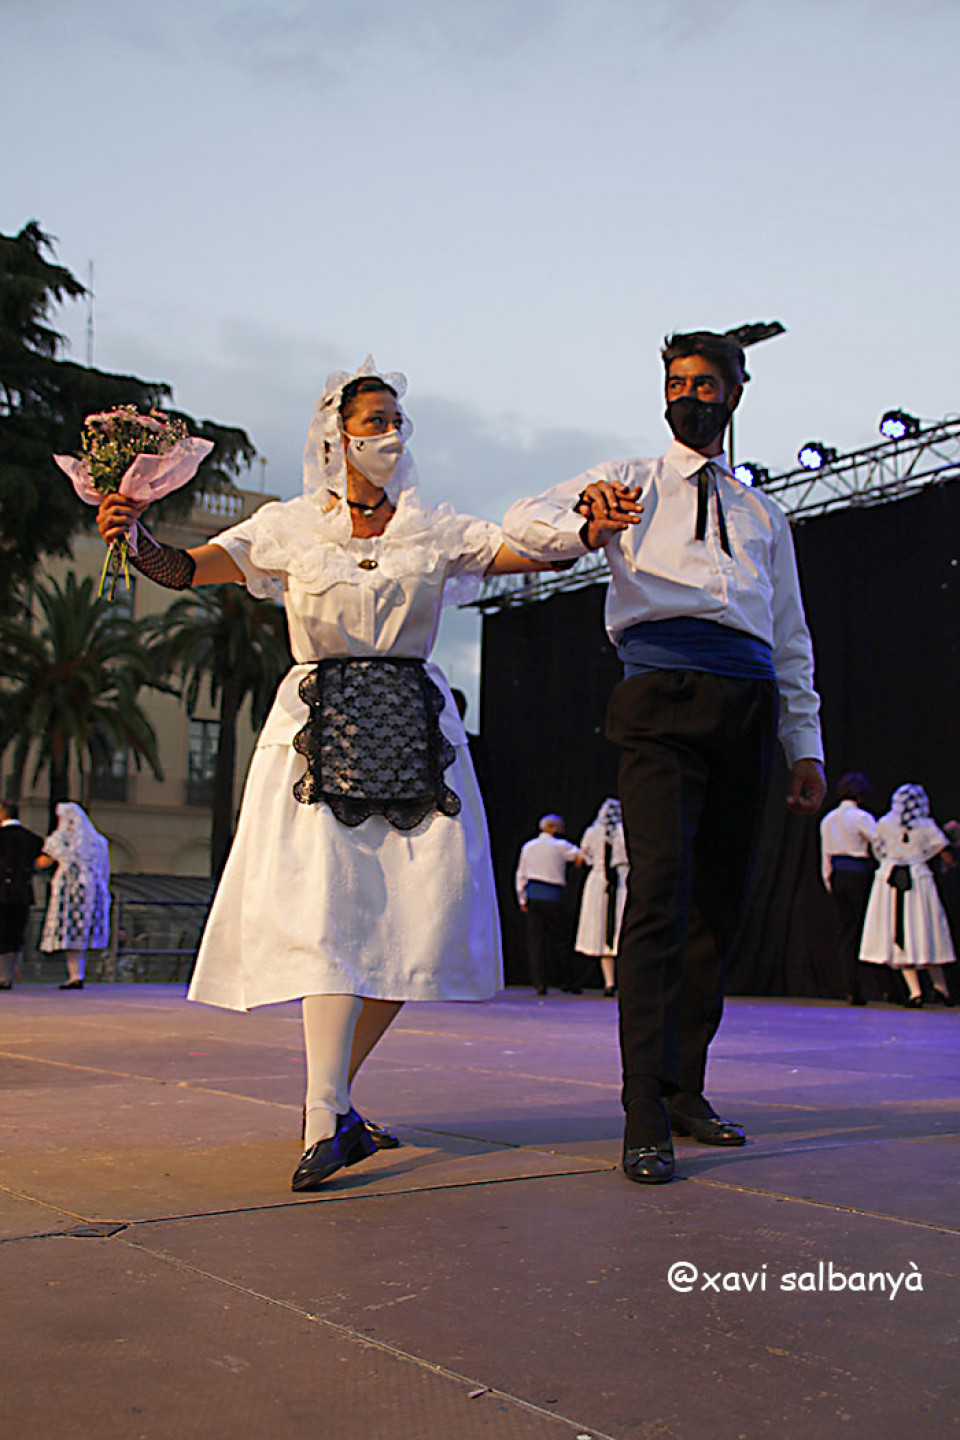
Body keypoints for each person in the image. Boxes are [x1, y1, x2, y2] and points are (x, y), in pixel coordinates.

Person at [97, 356, 547, 1192]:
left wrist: (590, 527)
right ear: (336, 436)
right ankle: (322, 1114)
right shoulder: (290, 527)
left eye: (398, 422)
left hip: (416, 729)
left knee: (420, 924)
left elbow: (527, 554)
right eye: (375, 421)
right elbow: (186, 569)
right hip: (319, 728)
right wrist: (134, 533)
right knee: (327, 917)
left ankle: (333, 1104)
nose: (391, 434)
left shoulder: (432, 528)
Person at [503, 330, 826, 1184]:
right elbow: (521, 523)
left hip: (749, 701)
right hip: (659, 693)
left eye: (705, 385)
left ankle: (686, 1089)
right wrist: (587, 522)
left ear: (733, 395)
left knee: (718, 903)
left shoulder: (764, 514)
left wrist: (805, 745)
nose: (689, 397)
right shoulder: (629, 480)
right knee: (657, 893)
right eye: (677, 384)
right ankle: (642, 1102)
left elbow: (791, 636)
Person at [860, 784, 956, 1006]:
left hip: (892, 880)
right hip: (915, 880)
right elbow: (945, 854)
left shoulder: (885, 823)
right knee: (924, 930)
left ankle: (918, 992)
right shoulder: (925, 825)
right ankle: (939, 989)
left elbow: (877, 849)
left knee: (901, 930)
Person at [38, 802, 111, 989]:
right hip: (93, 891)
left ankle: (75, 974)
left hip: (69, 891)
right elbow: (105, 870)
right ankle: (78, 974)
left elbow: (44, 860)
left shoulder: (62, 840)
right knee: (81, 934)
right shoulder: (98, 842)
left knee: (71, 931)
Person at [819, 773, 878, 1005]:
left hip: (837, 875)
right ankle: (874, 986)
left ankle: (851, 987)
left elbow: (825, 854)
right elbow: (879, 840)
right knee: (863, 928)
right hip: (858, 873)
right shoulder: (861, 817)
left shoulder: (828, 819)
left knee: (846, 931)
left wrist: (828, 881)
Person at [515, 815, 584, 994]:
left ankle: (539, 983)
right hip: (552, 897)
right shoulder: (560, 846)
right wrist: (579, 861)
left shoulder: (528, 846)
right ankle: (567, 981)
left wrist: (522, 898)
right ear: (553, 828)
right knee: (560, 941)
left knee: (536, 942)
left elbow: (521, 874)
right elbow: (580, 855)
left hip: (533, 896)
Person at [574, 798, 628, 996]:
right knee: (618, 928)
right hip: (621, 880)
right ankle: (621, 983)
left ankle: (609, 983)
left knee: (602, 931)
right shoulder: (625, 831)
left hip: (599, 881)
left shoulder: (592, 832)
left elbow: (581, 857)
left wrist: (591, 861)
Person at [0, 800, 47, 989]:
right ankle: (8, 974)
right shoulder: (32, 838)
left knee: (2, 932)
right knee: (16, 933)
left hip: (2, 891)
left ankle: (2, 975)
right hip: (22, 892)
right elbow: (46, 858)